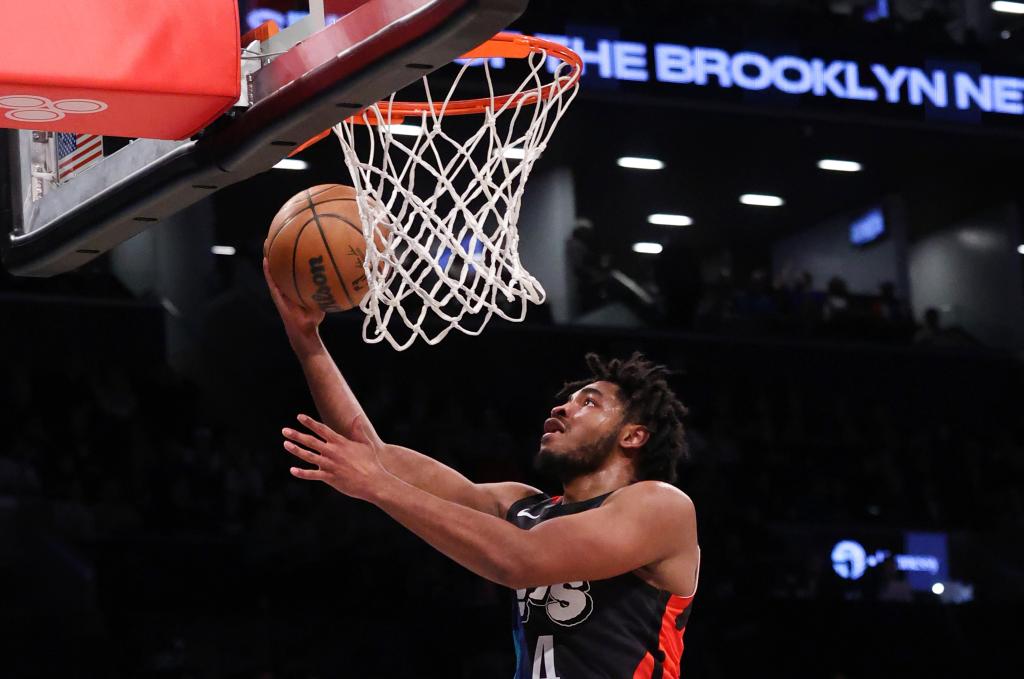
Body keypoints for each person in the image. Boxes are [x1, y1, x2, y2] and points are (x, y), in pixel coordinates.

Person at [264, 258, 700, 679]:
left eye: (589, 402)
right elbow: (371, 454)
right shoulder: (521, 506)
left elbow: (521, 560)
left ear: (633, 436)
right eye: (566, 399)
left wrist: (379, 487)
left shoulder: (660, 506)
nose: (563, 407)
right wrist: (307, 342)